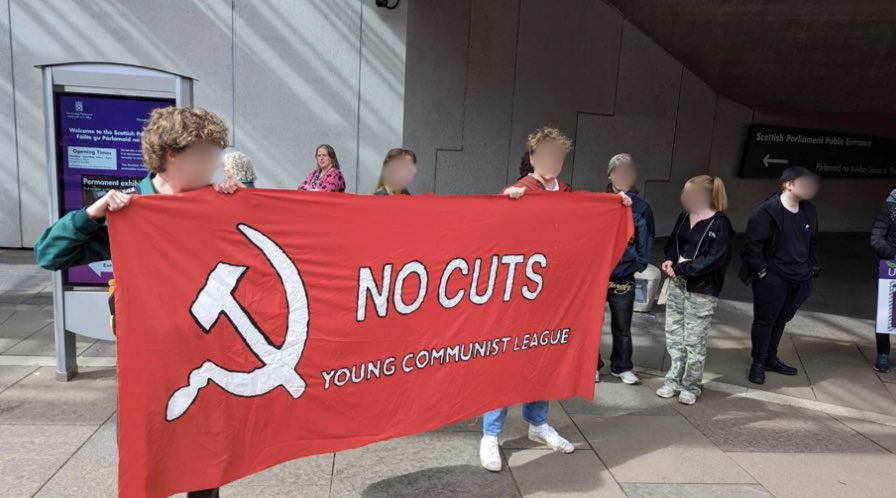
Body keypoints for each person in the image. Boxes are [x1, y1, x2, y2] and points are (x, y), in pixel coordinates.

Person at [34, 107, 239, 498]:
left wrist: (235, 198)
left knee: (206, 463)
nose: (215, 162)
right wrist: (93, 214)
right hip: (149, 367)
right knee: (150, 461)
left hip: (206, 360)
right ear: (173, 154)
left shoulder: (214, 205)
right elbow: (48, 254)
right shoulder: (128, 211)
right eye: (207, 152)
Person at [479, 127, 631, 473]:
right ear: (532, 158)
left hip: (553, 295)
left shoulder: (566, 192)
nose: (552, 162)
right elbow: (492, 236)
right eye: (545, 155)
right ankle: (491, 433)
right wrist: (507, 207)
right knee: (504, 362)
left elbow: (586, 224)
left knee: (543, 358)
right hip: (517, 296)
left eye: (558, 157)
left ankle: (537, 423)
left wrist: (615, 206)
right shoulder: (518, 191)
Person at [739, 166, 820, 385]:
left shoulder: (809, 211)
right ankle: (758, 363)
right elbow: (752, 244)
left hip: (800, 278)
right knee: (765, 320)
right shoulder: (767, 211)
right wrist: (763, 272)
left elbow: (812, 242)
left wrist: (812, 269)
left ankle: (771, 358)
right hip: (773, 278)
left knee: (782, 319)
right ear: (788, 185)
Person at [658, 175, 732, 404]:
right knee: (674, 335)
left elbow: (715, 258)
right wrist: (670, 261)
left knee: (694, 339)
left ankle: (691, 385)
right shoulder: (683, 217)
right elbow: (672, 244)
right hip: (677, 283)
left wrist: (683, 268)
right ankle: (673, 380)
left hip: (702, 288)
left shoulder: (720, 223)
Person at [596, 153, 655, 385]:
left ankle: (622, 366)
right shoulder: (598, 202)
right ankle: (592, 365)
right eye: (618, 171)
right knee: (592, 325)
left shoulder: (642, 207)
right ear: (610, 174)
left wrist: (636, 263)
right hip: (597, 276)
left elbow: (647, 239)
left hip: (624, 276)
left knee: (623, 325)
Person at [870, 188, 896, 373]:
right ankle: (883, 354)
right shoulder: (890, 207)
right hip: (892, 268)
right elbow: (876, 239)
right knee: (886, 313)